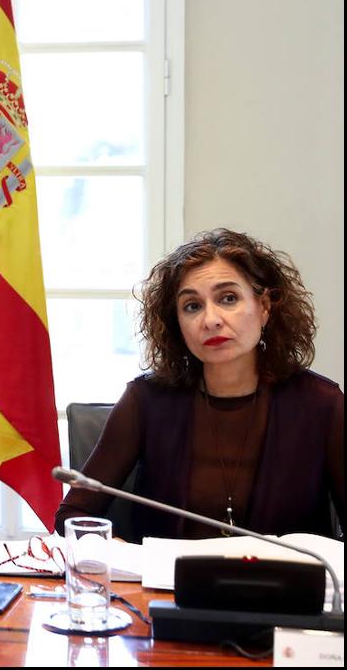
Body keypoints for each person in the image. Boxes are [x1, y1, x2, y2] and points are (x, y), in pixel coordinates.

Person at [56, 229, 343, 539]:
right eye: (192, 306)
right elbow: (73, 515)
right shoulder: (146, 402)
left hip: (288, 586)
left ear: (264, 307)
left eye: (228, 298)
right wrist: (118, 551)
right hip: (169, 587)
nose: (211, 320)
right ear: (177, 324)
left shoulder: (322, 405)